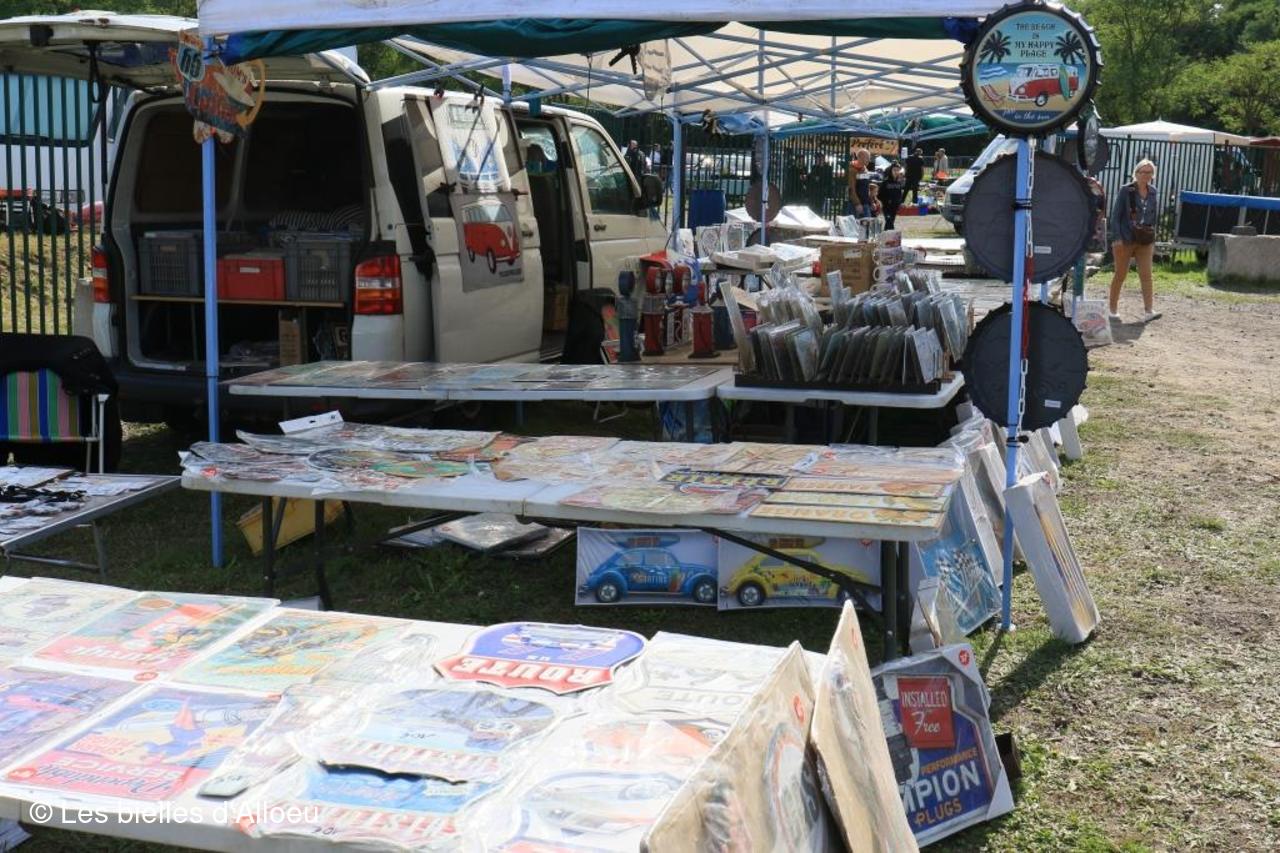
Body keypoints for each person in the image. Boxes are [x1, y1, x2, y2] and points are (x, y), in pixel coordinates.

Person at [1108, 158, 1162, 323]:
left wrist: (1152, 236)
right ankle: (1112, 310)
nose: (1146, 175)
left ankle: (1149, 310)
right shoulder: (1126, 190)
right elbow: (1115, 216)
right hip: (1126, 238)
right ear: (1136, 173)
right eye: (1143, 172)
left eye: (1149, 172)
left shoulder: (1153, 191)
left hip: (1145, 239)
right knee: (1120, 274)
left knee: (1146, 275)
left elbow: (1153, 215)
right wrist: (1117, 238)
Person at [880, 162, 906, 231]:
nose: (896, 172)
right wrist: (883, 202)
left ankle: (886, 234)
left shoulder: (898, 182)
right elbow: (880, 195)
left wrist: (900, 202)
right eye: (894, 170)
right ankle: (892, 234)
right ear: (891, 170)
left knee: (890, 222)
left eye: (898, 170)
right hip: (886, 207)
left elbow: (899, 194)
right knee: (889, 221)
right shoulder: (885, 182)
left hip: (895, 206)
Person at [847, 147, 872, 217]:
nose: (869, 160)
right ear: (860, 157)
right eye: (867, 157)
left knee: (867, 223)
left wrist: (871, 202)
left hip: (865, 204)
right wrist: (857, 203)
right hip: (855, 205)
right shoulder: (852, 169)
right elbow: (851, 189)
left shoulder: (865, 169)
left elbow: (866, 187)